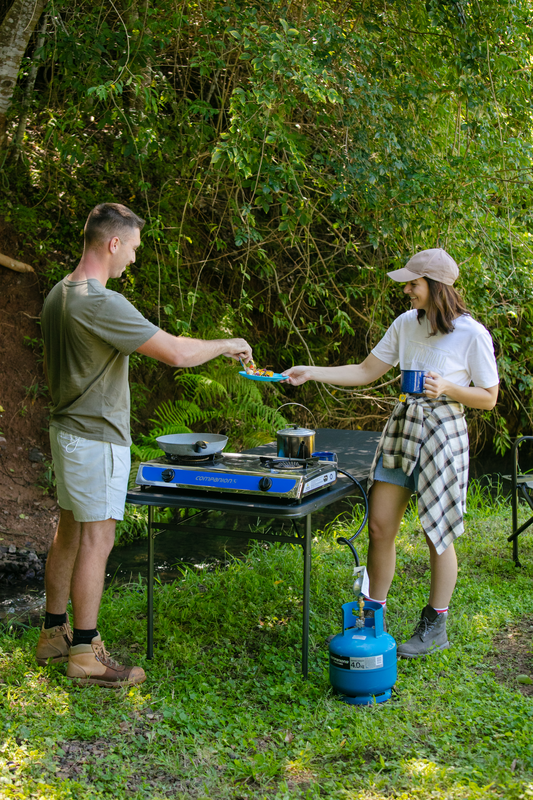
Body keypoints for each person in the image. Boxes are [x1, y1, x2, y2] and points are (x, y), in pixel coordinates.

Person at [37, 203, 253, 686]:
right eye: (132, 248)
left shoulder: (59, 292)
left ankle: (53, 633)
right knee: (99, 537)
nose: (133, 258)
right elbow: (176, 352)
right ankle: (85, 653)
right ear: (113, 243)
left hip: (67, 432)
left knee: (69, 530)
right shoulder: (98, 302)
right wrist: (226, 343)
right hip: (95, 439)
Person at [282, 249, 499, 657]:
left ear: (436, 287)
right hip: (403, 428)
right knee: (381, 527)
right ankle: (372, 617)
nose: (406, 289)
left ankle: (436, 624)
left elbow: (488, 398)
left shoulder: (472, 334)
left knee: (438, 530)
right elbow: (366, 370)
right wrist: (312, 372)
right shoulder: (405, 324)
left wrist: (447, 388)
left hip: (443, 431)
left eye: (413, 283)